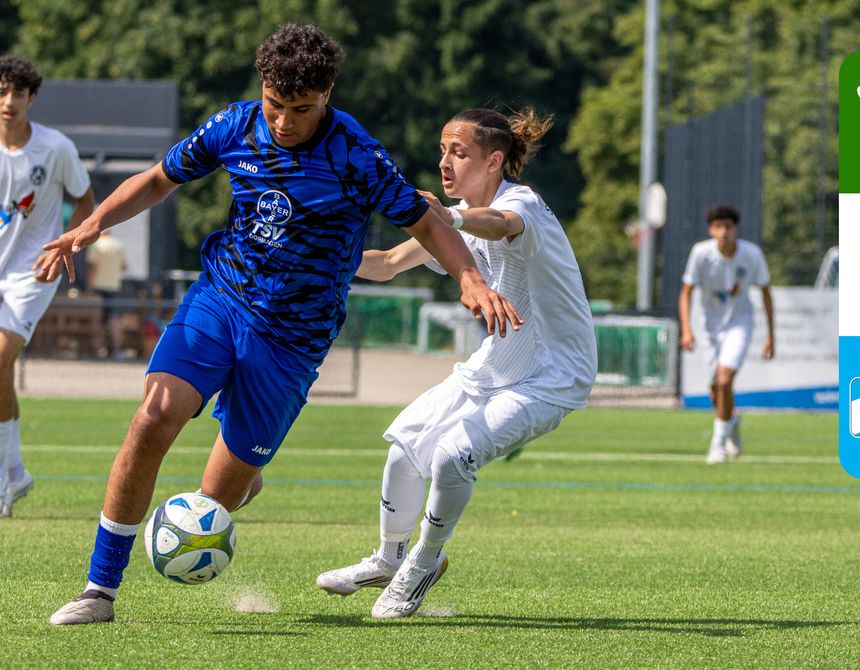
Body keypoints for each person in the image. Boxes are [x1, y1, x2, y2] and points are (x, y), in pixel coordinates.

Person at [42, 23, 519, 626]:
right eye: (275, 104)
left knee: (216, 502)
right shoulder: (233, 125)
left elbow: (426, 224)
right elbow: (160, 179)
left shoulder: (356, 154)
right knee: (153, 416)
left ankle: (244, 478)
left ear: (328, 95)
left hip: (293, 340)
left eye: (302, 109)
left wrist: (469, 279)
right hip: (223, 297)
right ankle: (98, 590)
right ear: (261, 87)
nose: (285, 121)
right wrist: (94, 224)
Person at [316, 107, 598, 618]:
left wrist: (452, 219)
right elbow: (386, 265)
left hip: (553, 375)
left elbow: (501, 225)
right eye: (443, 151)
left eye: (458, 152)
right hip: (496, 365)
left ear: (494, 161)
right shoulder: (458, 219)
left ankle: (424, 562)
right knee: (404, 448)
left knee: (452, 455)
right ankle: (388, 558)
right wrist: (310, 253)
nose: (444, 162)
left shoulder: (520, 204)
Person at [0, 55, 95, 517]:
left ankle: (7, 474)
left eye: (17, 93)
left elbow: (87, 201)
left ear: (31, 98)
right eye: (2, 92)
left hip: (31, 272)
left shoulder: (55, 148)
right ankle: (13, 473)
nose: (8, 101)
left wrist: (65, 247)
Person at [678, 203, 774, 464]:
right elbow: (686, 292)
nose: (723, 232)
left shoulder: (751, 255)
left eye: (727, 226)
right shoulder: (701, 253)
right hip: (709, 328)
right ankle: (732, 421)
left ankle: (717, 446)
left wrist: (770, 335)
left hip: (739, 325)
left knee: (724, 381)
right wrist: (686, 330)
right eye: (717, 226)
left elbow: (765, 292)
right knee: (715, 388)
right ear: (711, 230)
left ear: (736, 228)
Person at [85, 229, 127, 359]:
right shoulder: (118, 245)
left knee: (96, 320)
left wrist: (89, 288)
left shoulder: (96, 245)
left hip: (98, 287)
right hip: (114, 287)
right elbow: (123, 267)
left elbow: (93, 268)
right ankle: (117, 350)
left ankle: (98, 349)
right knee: (114, 320)